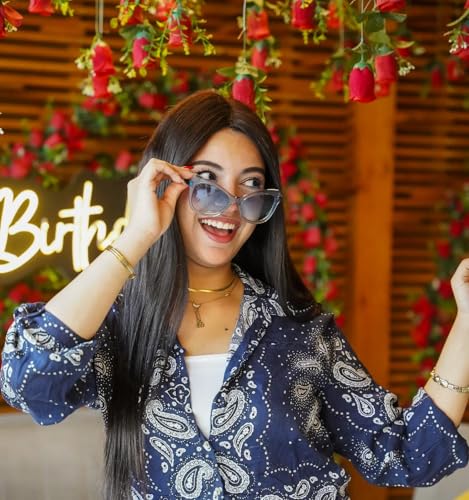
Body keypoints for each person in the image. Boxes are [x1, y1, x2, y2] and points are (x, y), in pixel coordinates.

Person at [1, 89, 468, 500]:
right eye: (207, 183)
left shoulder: (300, 331)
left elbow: (406, 454)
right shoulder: (120, 323)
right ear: (164, 186)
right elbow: (28, 383)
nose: (230, 206)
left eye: (250, 185)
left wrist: (467, 321)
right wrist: (136, 236)